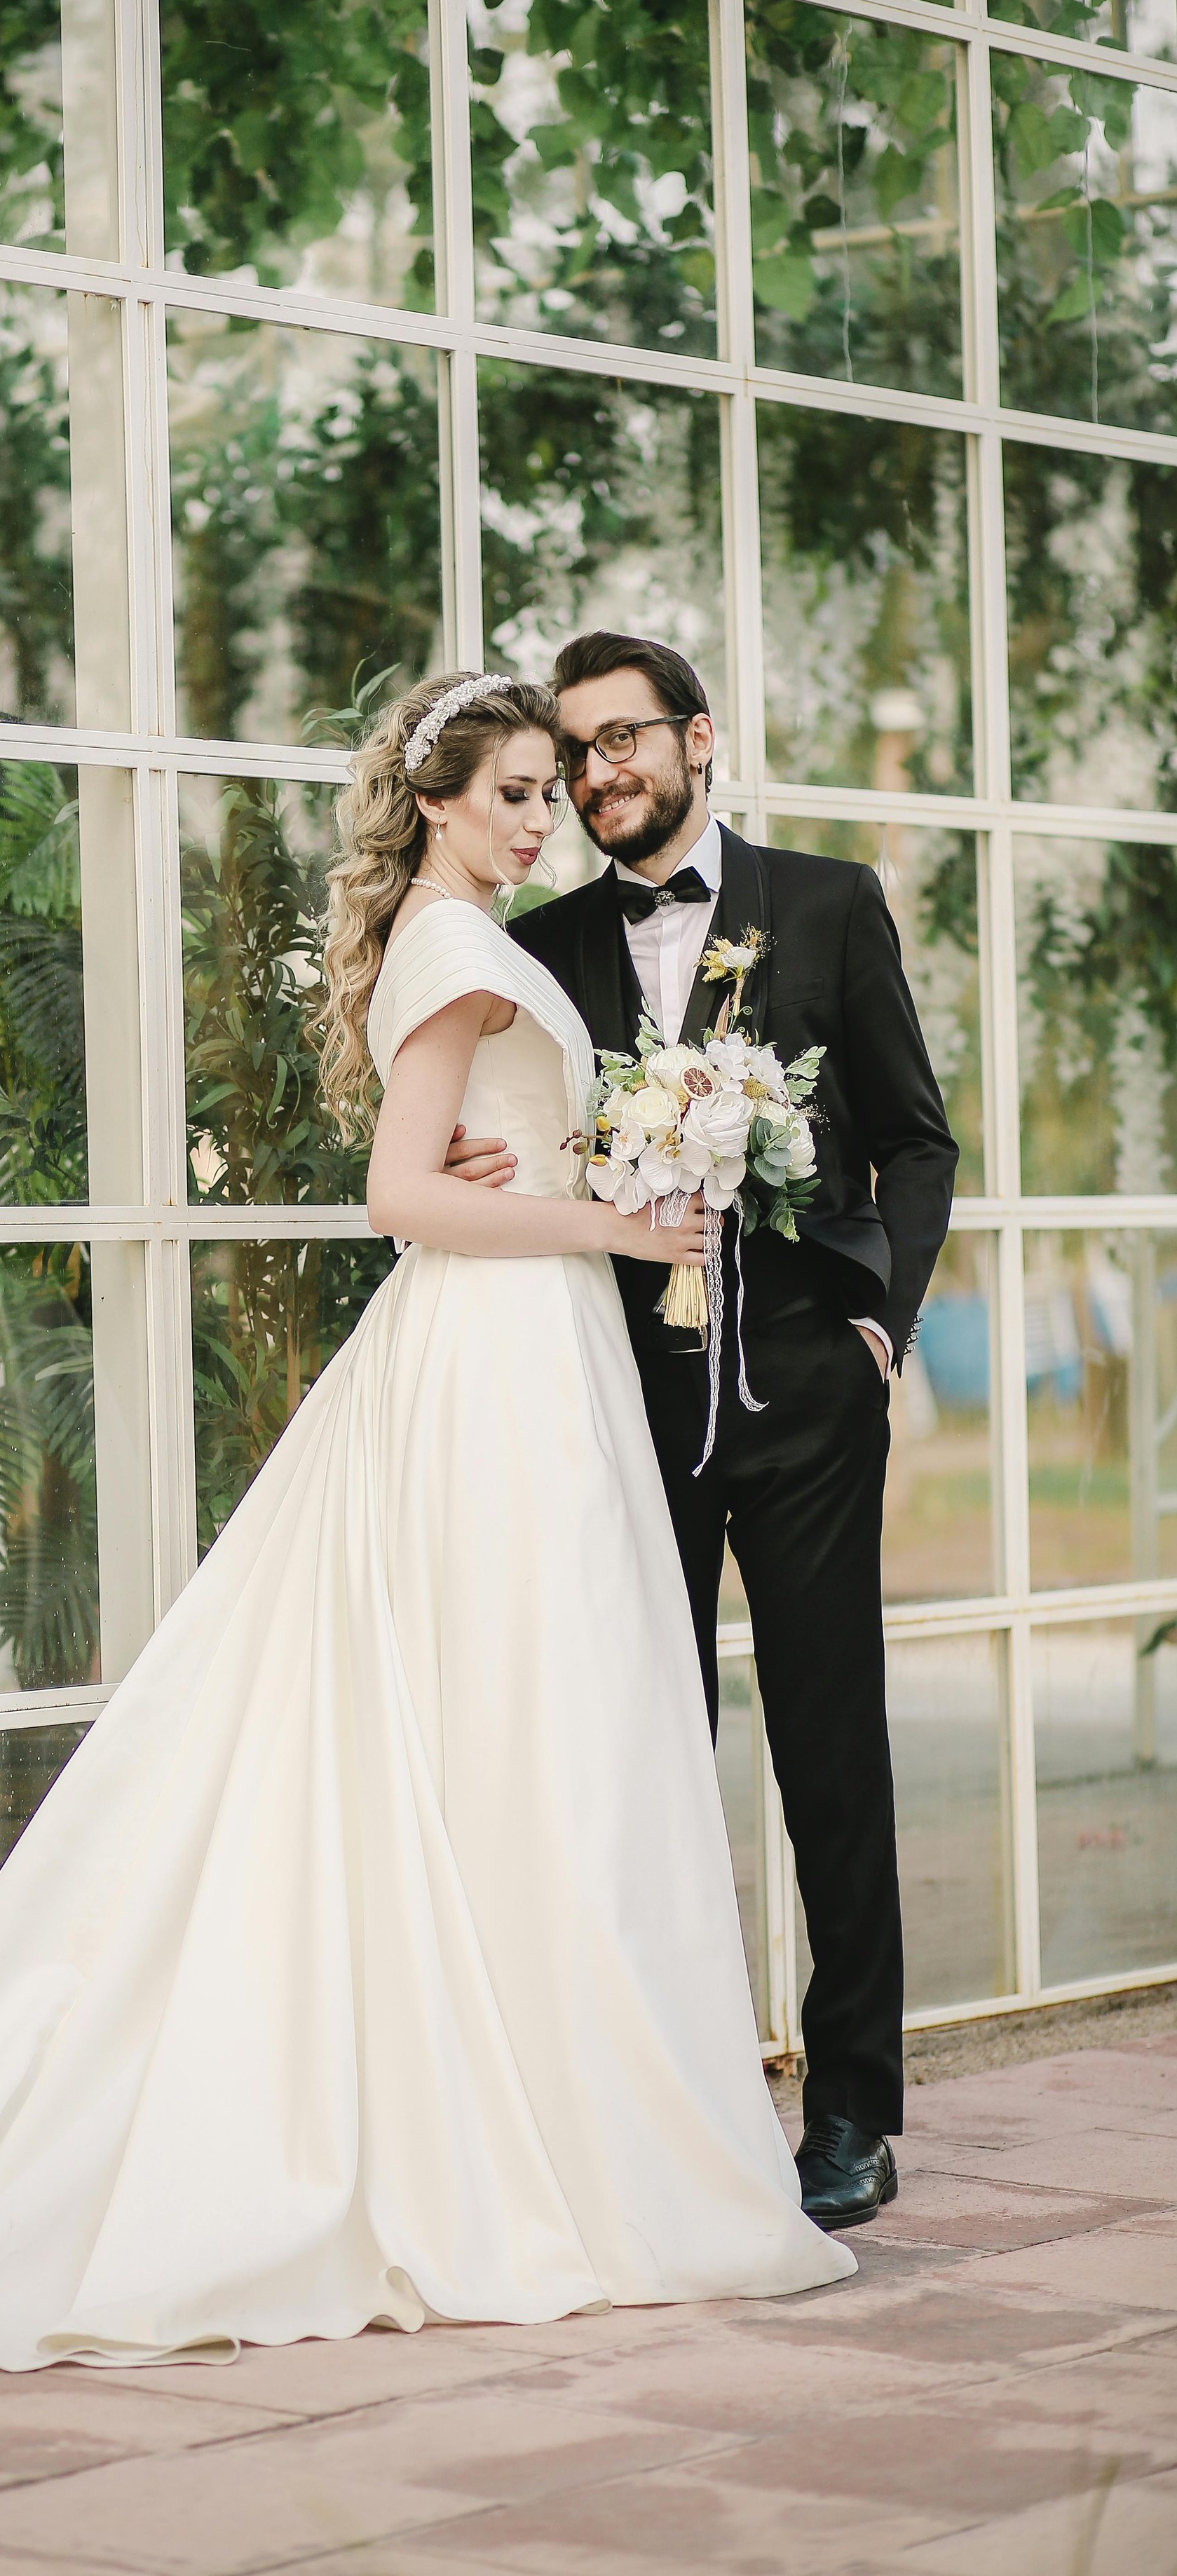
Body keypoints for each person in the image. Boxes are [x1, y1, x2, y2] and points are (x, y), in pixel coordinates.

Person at [0, 672, 851, 2380]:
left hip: (526, 1351)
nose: (538, 817)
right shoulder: (455, 946)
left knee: (539, 1731)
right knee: (520, 1725)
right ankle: (515, 2133)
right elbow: (400, 1199)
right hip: (494, 1369)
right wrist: (623, 1227)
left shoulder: (466, 941)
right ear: (434, 802)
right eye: (510, 792)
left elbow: (461, 1166)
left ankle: (537, 2095)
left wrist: (595, 1190)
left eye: (551, 791)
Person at [451, 632, 958, 2231]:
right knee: (641, 1755)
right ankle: (662, 2095)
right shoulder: (540, 949)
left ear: (694, 739)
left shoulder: (822, 904)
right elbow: (515, 1139)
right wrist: (489, 1178)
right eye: (574, 755)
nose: (597, 776)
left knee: (828, 1754)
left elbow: (911, 1139)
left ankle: (854, 2109)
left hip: (807, 1400)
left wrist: (881, 1321)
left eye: (620, 743)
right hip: (620, 1407)